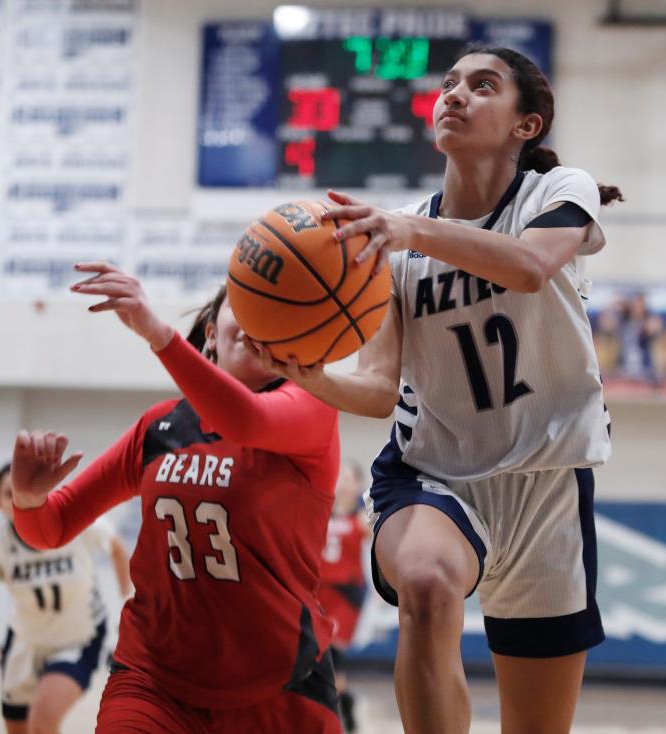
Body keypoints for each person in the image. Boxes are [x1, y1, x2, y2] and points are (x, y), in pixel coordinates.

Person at [249, 44, 621, 734]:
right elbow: (378, 388)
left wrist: (414, 229)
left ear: (525, 125)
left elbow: (532, 268)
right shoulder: (395, 244)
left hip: (548, 486)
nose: (455, 94)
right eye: (449, 84)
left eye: (482, 86)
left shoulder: (556, 191)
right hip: (435, 476)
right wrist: (312, 376)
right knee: (423, 584)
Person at [10, 268, 342, 733]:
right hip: (154, 679)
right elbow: (52, 526)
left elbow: (244, 419)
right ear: (211, 331)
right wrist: (28, 499)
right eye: (246, 306)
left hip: (280, 685)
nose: (259, 320)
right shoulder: (158, 427)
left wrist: (157, 333)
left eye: (276, 314)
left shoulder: (310, 409)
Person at [0, 462, 132, 734]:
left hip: (79, 636)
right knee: (19, 728)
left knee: (42, 721)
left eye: (23, 492)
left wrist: (126, 595)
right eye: (9, 494)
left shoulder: (71, 519)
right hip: (25, 640)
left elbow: (116, 546)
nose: (17, 500)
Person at [318, 460, 372, 732]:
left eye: (349, 478)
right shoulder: (322, 512)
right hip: (319, 592)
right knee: (322, 652)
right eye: (340, 478)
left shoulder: (360, 517)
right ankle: (344, 700)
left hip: (346, 593)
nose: (342, 483)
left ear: (357, 484)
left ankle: (339, 707)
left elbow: (373, 533)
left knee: (331, 650)